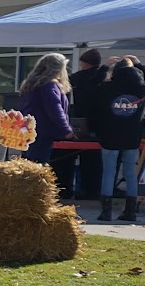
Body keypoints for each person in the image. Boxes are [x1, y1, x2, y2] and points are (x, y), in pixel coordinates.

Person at [92, 56, 144, 223]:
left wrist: (104, 68)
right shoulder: (140, 88)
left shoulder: (107, 87)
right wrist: (138, 65)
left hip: (110, 135)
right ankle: (130, 212)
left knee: (108, 172)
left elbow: (90, 86)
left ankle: (106, 212)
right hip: (132, 136)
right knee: (130, 173)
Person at [18, 53, 74, 196]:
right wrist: (66, 129)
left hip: (30, 130)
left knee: (29, 165)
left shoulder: (32, 84)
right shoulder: (49, 85)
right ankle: (35, 197)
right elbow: (55, 109)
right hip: (43, 131)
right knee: (38, 166)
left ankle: (25, 197)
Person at [68, 49, 106, 200]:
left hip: (79, 121)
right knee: (94, 159)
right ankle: (92, 190)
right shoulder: (103, 76)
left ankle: (77, 188)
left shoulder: (76, 78)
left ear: (84, 63)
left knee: (72, 156)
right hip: (99, 123)